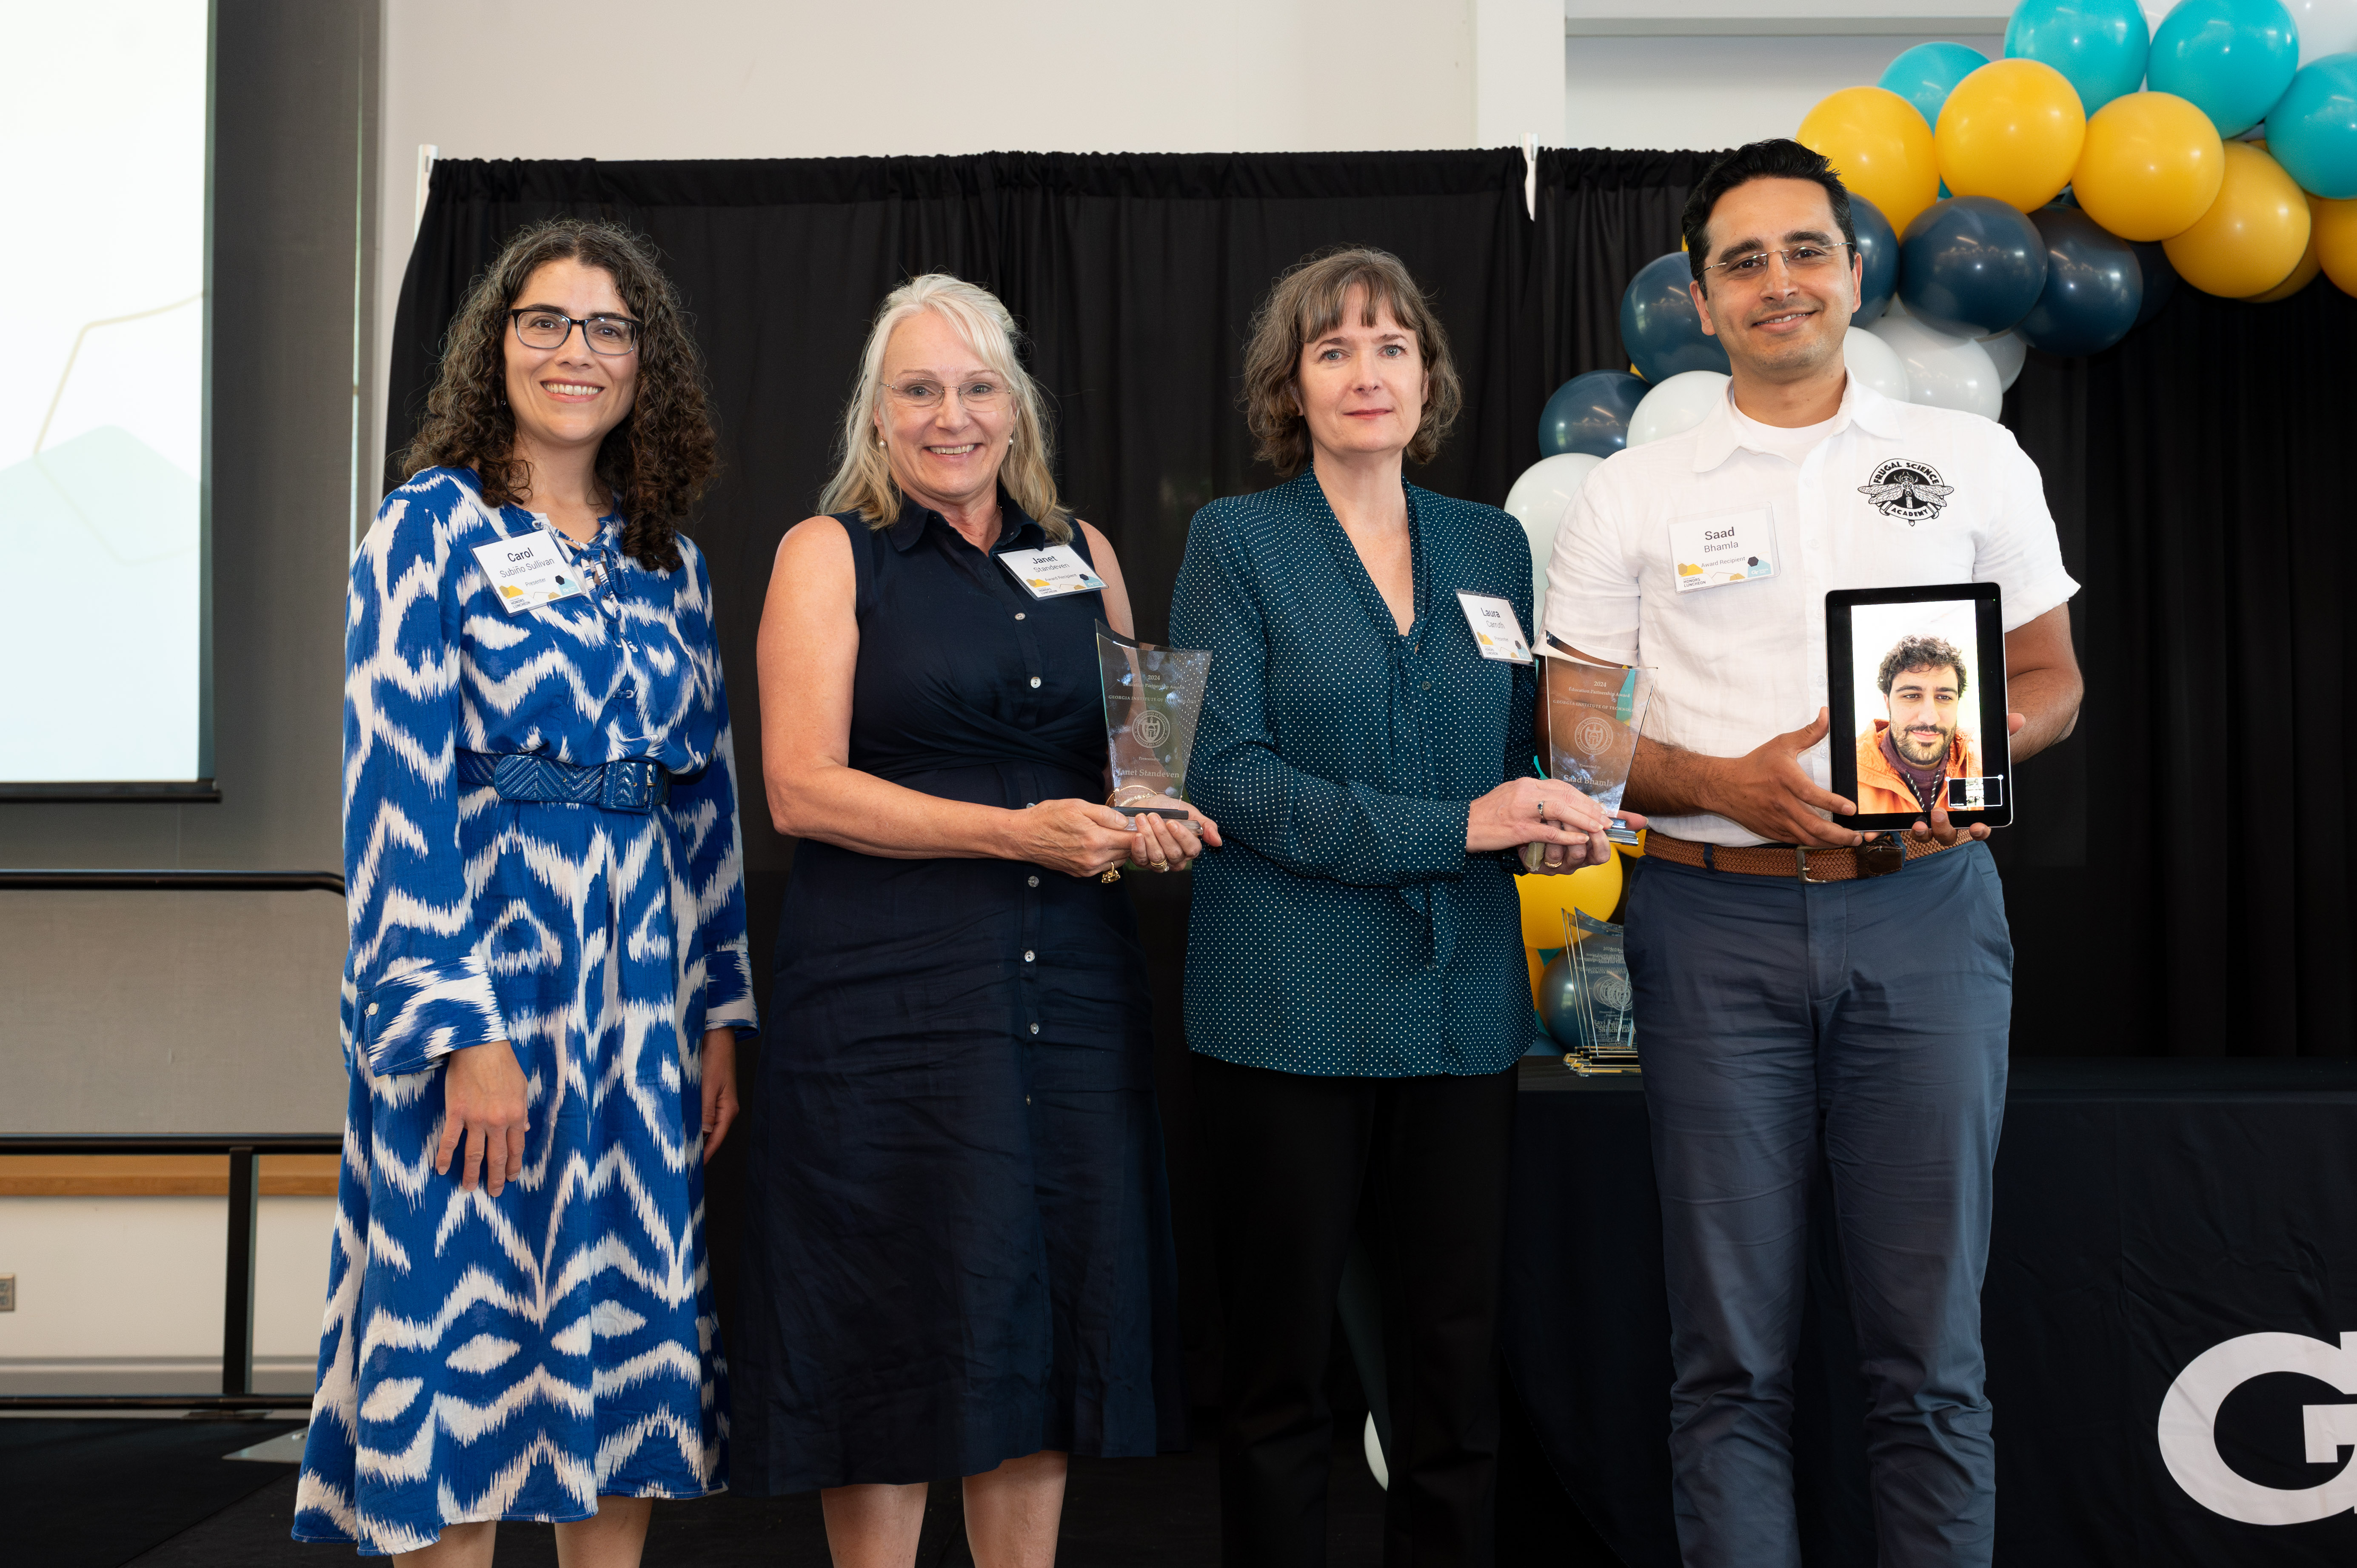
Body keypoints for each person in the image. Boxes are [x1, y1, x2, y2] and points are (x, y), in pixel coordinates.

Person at [1544, 139, 2085, 1568]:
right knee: (1727, 1357)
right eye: (1743, 261)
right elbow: (1577, 725)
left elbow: (2050, 679)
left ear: (1855, 271)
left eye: (1804, 251)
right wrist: (1728, 784)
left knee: (1931, 1355)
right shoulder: (1631, 491)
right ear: (1702, 300)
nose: (1779, 282)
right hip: (1704, 925)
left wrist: (1969, 768)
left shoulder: (1971, 457)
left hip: (1928, 916)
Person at [294, 218, 753, 1564]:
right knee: (467, 1363)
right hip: (480, 997)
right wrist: (461, 1034)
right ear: (494, 348)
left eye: (608, 328)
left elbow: (706, 805)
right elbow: (392, 798)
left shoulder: (667, 564)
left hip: (631, 1022)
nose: (575, 351)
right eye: (543, 321)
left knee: (622, 1361)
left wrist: (716, 1008)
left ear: (644, 366)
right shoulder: (424, 532)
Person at [737, 274, 1208, 1568]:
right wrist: (1015, 831)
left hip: (1069, 996)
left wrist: (1154, 813)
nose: (953, 414)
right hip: (886, 1001)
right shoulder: (827, 552)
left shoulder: (1090, 551)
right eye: (920, 389)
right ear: (875, 416)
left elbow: (1137, 757)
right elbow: (797, 787)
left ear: (1018, 405)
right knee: (888, 1326)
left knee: (1042, 1322)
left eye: (978, 385)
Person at [1170, 246, 1626, 1568]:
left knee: (1450, 1365)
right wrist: (1465, 827)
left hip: (1457, 1002)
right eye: (1332, 349)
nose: (1364, 371)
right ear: (1290, 385)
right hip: (1283, 1004)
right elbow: (1227, 775)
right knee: (1277, 1381)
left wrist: (1537, 819)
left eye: (1388, 345)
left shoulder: (1490, 543)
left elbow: (1505, 760)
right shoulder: (1234, 539)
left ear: (1428, 375)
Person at [1855, 634, 1982, 817]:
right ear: (1888, 702)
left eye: (1944, 698)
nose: (1930, 718)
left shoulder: (1980, 765)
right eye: (1912, 696)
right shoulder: (1848, 772)